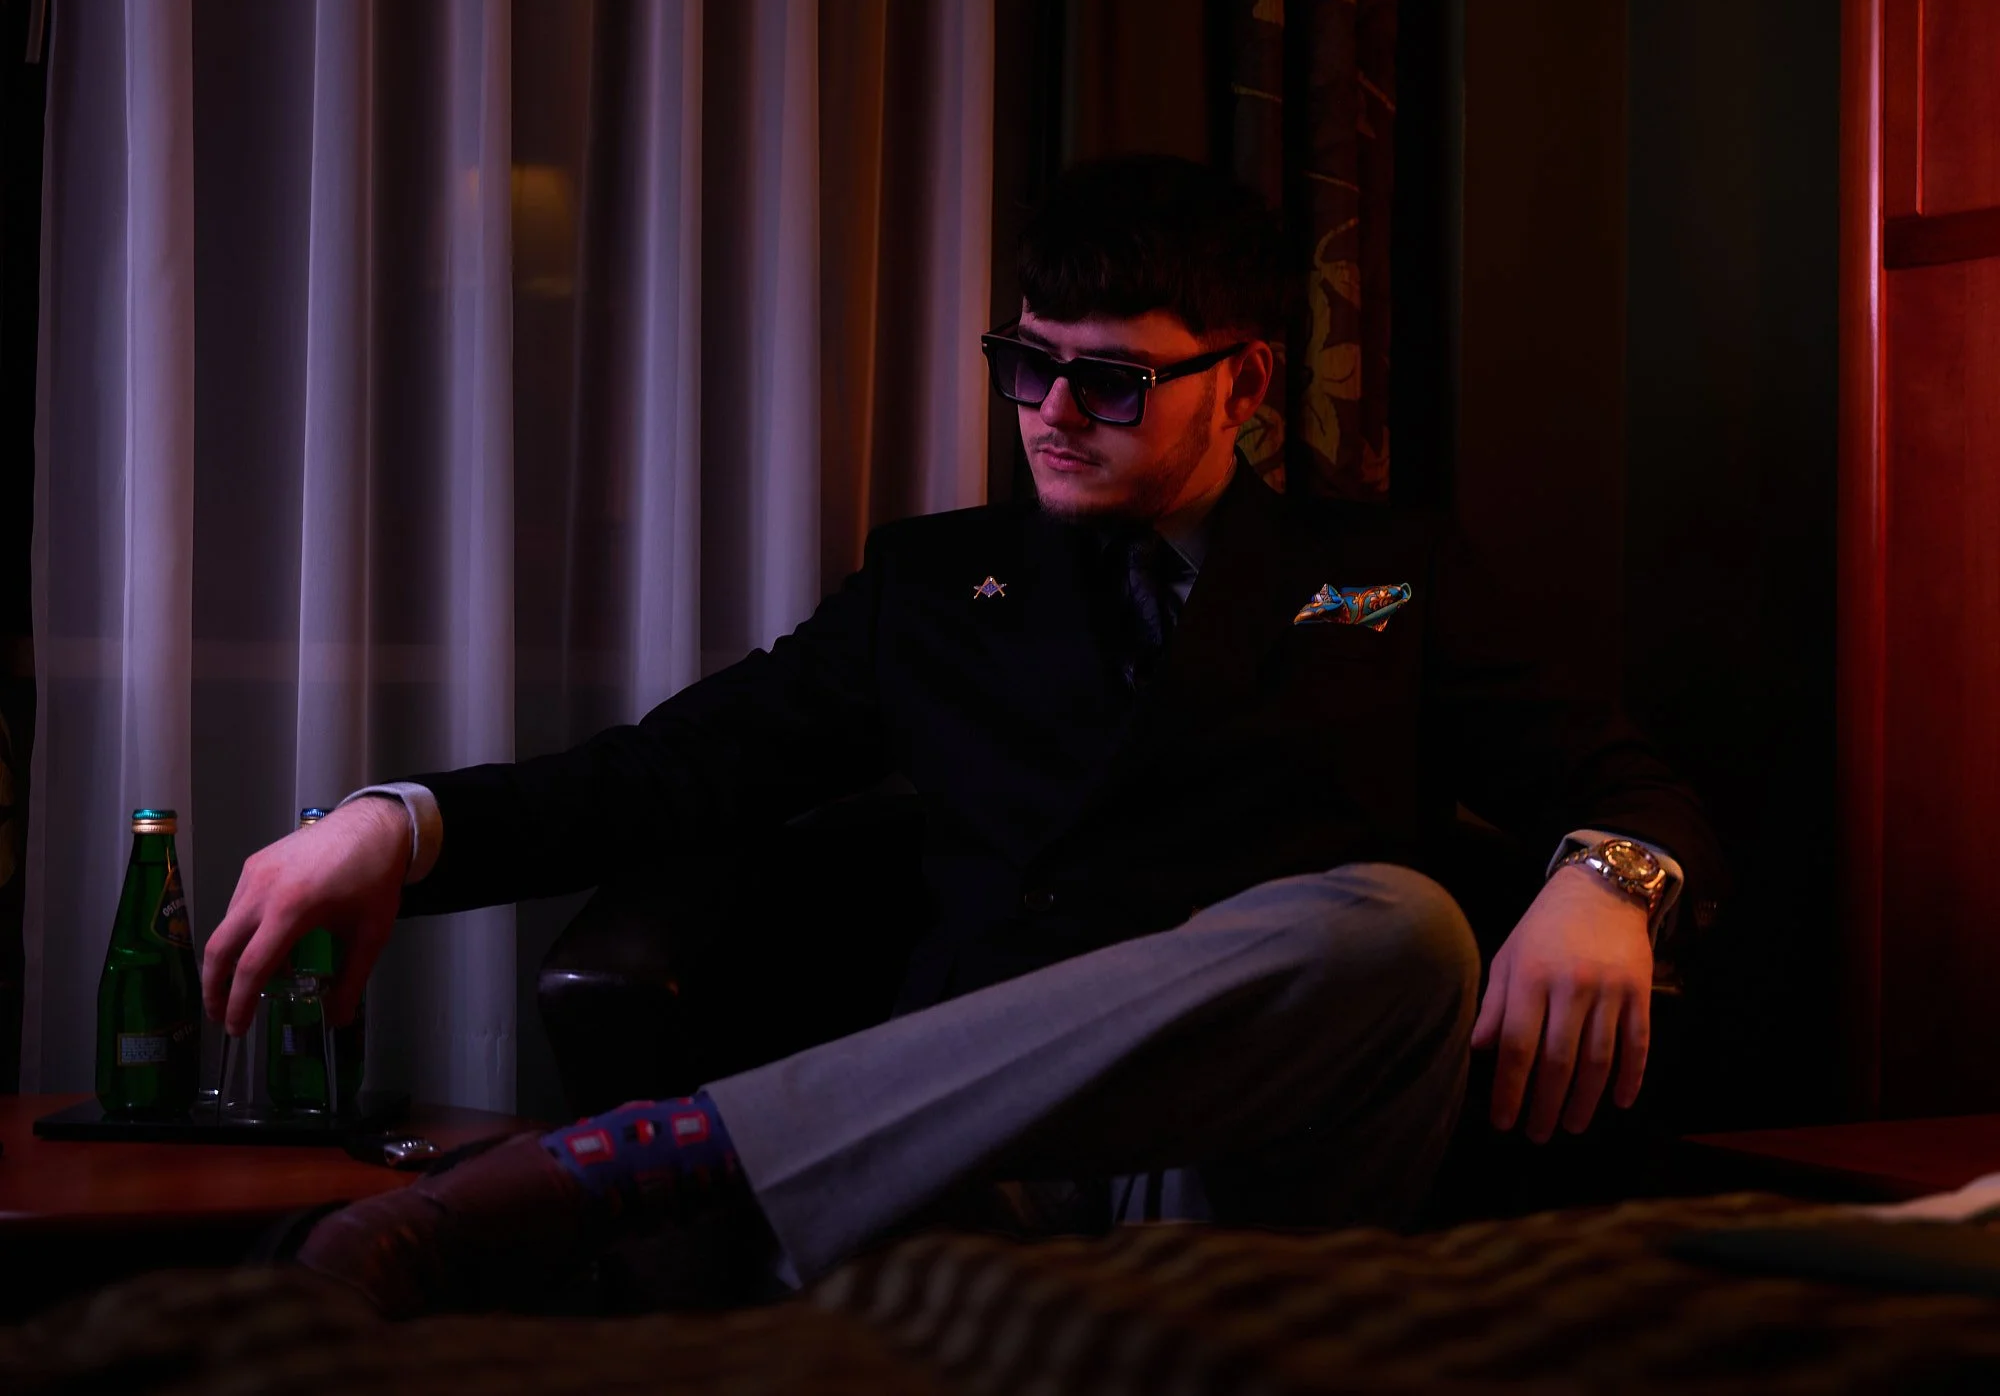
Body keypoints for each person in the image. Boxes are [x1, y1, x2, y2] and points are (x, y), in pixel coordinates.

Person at [204, 155, 1720, 1317]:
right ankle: (660, 1174)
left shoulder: (1387, 571)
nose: (1054, 411)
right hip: (968, 1161)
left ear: (1246, 381)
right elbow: (673, 770)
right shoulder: (932, 584)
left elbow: (1620, 776)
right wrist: (396, 822)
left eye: (1113, 381)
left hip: (1264, 1171)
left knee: (1401, 930)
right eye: (1027, 363)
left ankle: (647, 1168)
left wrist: (1613, 878)